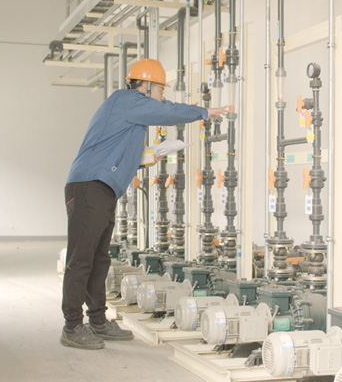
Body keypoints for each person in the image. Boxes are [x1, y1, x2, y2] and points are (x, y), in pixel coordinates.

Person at [61, 58, 229, 349]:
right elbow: (167, 111)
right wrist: (204, 112)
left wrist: (149, 157)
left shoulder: (130, 113)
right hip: (89, 185)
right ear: (147, 85)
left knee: (99, 259)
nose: (162, 96)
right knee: (82, 259)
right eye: (161, 90)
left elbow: (118, 153)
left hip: (103, 188)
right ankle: (72, 326)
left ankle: (97, 320)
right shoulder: (126, 100)